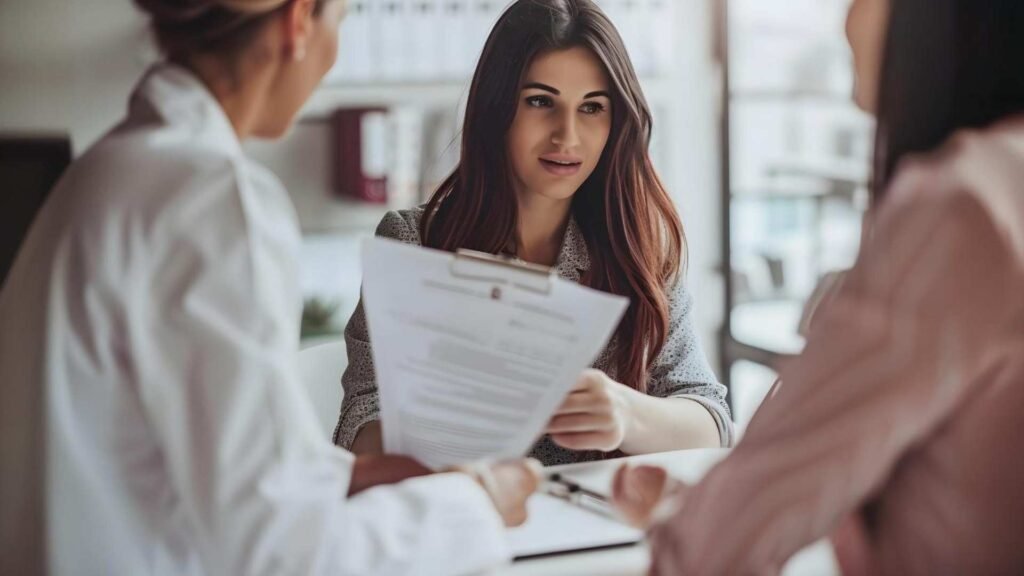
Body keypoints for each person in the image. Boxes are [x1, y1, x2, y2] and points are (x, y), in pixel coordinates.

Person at [0, 1, 541, 574]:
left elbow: (186, 452)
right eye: (343, 22)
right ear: (299, 21)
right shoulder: (212, 197)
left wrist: (348, 476)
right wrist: (473, 505)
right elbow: (281, 551)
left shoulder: (104, 171)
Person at [612, 0, 1024, 573]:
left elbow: (725, 533)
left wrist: (707, 513)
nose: (846, 21)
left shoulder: (964, 210)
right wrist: (703, 506)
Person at [335, 0, 733, 467]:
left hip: (592, 530)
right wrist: (447, 422)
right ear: (497, 109)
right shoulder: (415, 242)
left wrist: (627, 414)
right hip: (460, 521)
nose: (567, 135)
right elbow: (358, 425)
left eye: (592, 108)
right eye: (540, 102)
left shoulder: (638, 246)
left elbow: (712, 421)